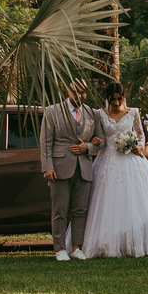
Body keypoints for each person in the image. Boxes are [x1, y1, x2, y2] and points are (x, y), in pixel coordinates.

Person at [81, 82, 148, 259]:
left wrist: (138, 147)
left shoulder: (133, 113)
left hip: (130, 159)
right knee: (107, 201)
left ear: (123, 97)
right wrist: (94, 142)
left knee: (136, 199)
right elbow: (100, 138)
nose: (116, 103)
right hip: (108, 161)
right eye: (113, 99)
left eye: (119, 99)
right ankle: (108, 241)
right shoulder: (100, 114)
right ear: (107, 99)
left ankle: (141, 240)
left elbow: (140, 136)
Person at [39, 79, 104, 261]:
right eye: (76, 92)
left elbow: (101, 139)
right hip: (59, 168)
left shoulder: (92, 113)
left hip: (84, 167)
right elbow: (45, 142)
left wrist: (88, 147)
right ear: (68, 91)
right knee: (59, 210)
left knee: (80, 210)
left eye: (83, 92)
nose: (80, 96)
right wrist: (48, 167)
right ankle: (60, 248)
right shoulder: (52, 111)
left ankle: (77, 248)